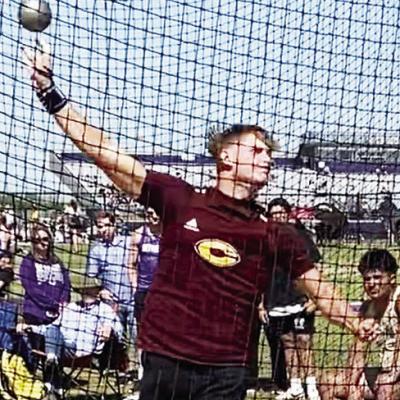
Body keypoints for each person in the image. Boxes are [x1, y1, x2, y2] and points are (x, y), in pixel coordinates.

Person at [22, 41, 377, 400]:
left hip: (228, 372)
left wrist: (354, 322)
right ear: (225, 156)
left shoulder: (273, 233)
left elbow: (320, 288)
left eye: (269, 154)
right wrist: (49, 92)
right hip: (167, 361)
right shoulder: (180, 200)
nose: (267, 158)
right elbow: (107, 155)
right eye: (256, 150)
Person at [16, 277, 124, 396]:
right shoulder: (72, 308)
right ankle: (52, 361)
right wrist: (29, 327)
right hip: (62, 346)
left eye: (90, 290)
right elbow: (50, 327)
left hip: (84, 352)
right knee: (52, 329)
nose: (87, 293)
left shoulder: (104, 310)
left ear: (97, 291)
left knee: (51, 341)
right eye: (84, 290)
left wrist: (111, 330)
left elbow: (120, 331)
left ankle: (52, 379)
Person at [259, 198, 321, 400]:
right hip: (276, 301)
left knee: (304, 341)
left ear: (288, 213)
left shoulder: (302, 237)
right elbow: (259, 274)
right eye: (273, 213)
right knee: (287, 342)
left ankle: (311, 387)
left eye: (280, 212)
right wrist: (261, 305)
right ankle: (295, 387)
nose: (277, 216)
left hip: (300, 300)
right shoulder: (265, 240)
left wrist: (315, 298)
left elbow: (316, 269)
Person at [319, 249, 400, 400]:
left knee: (385, 388)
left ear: (392, 278)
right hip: (383, 372)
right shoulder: (367, 308)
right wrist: (351, 383)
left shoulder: (398, 301)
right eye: (367, 279)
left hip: (395, 374)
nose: (371, 284)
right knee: (328, 381)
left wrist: (392, 376)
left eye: (377, 277)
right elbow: (359, 349)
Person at [86, 211, 135, 340]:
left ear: (114, 225)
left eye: (107, 225)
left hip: (133, 301)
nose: (104, 229)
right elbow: (91, 278)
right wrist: (101, 290)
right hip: (112, 304)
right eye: (100, 226)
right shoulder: (96, 250)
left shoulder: (129, 242)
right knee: (117, 344)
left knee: (139, 342)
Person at [20, 224, 71, 326]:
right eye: (37, 240)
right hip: (35, 313)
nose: (42, 243)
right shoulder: (28, 262)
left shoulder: (57, 261)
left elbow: (66, 284)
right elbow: (32, 289)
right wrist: (52, 303)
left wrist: (63, 302)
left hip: (58, 314)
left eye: (45, 239)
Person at [130, 208, 161, 332]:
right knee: (142, 331)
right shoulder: (138, 234)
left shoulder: (170, 234)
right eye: (149, 213)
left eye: (155, 213)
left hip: (162, 291)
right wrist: (134, 286)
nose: (152, 216)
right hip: (143, 290)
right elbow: (131, 264)